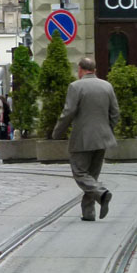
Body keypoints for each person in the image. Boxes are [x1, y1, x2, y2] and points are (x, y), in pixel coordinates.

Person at [52, 56, 119, 221]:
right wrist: (107, 130)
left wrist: (57, 133)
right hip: (103, 138)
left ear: (80, 69)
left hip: (82, 138)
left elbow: (68, 112)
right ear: (94, 70)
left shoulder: (76, 86)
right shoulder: (107, 86)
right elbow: (115, 113)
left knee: (80, 173)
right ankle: (88, 212)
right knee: (92, 176)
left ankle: (102, 193)